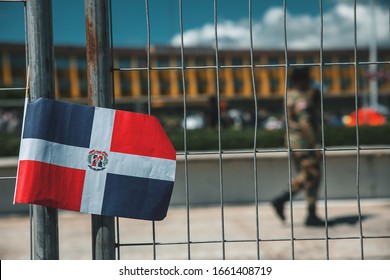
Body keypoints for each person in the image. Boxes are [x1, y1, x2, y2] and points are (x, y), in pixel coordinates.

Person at [271, 67, 325, 226]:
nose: (310, 81)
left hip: (294, 142)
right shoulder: (300, 98)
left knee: (312, 177)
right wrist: (315, 144)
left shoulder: (290, 95)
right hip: (303, 143)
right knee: (311, 173)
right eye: (308, 78)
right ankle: (282, 199)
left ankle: (311, 214)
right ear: (301, 80)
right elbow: (305, 122)